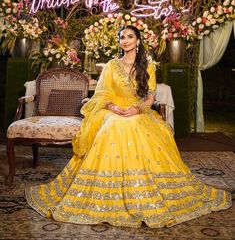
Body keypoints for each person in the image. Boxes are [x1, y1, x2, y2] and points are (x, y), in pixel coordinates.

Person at [26, 25, 231, 228]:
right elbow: (102, 94)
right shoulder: (111, 65)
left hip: (138, 111)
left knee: (136, 125)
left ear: (138, 41)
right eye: (122, 37)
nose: (125, 40)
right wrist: (113, 107)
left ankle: (140, 190)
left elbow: (151, 96)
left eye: (130, 36)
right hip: (112, 111)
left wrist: (138, 109)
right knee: (113, 127)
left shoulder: (147, 66)